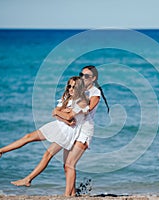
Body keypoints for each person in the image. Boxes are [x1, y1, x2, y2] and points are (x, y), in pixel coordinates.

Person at [0, 76, 89, 187]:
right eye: (69, 86)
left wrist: (63, 115)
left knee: (48, 154)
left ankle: (28, 179)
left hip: (67, 132)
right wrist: (64, 117)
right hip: (58, 126)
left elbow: (67, 116)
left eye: (74, 87)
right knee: (28, 136)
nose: (71, 89)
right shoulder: (66, 97)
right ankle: (1, 151)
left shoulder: (82, 102)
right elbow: (55, 113)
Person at [63, 65, 109, 196]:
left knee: (70, 164)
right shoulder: (77, 89)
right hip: (73, 128)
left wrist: (68, 113)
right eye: (81, 75)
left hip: (85, 130)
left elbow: (87, 108)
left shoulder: (95, 92)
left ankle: (66, 196)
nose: (83, 78)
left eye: (87, 76)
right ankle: (72, 194)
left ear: (93, 78)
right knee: (66, 166)